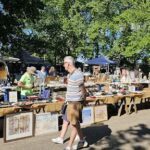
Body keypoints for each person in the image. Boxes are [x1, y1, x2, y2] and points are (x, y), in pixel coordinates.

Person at [52, 56, 88, 150]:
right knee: (75, 123)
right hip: (70, 102)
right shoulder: (70, 74)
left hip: (75, 103)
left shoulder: (78, 74)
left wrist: (83, 100)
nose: (63, 65)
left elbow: (83, 89)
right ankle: (82, 141)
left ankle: (69, 146)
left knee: (74, 124)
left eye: (64, 63)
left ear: (68, 64)